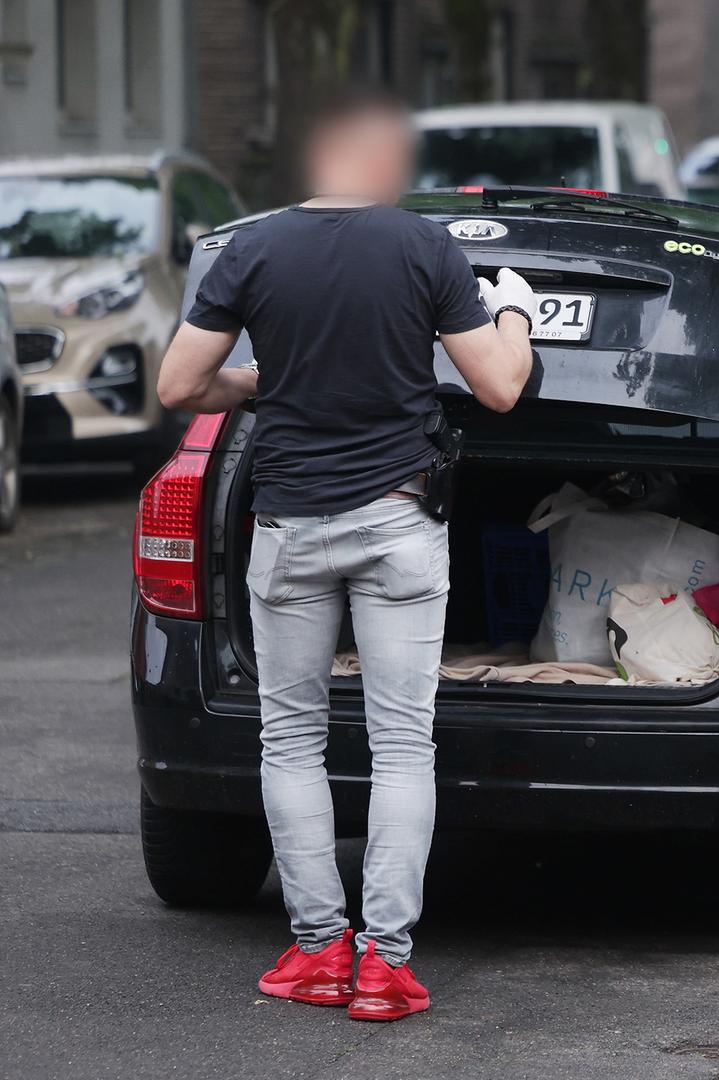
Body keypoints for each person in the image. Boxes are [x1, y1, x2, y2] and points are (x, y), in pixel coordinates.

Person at [155, 89, 536, 1021]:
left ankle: (320, 951)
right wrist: (515, 312)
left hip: (289, 528)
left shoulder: (251, 249)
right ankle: (386, 965)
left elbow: (180, 386)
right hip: (401, 525)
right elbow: (498, 390)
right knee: (403, 743)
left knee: (290, 739)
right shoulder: (423, 248)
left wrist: (265, 376)